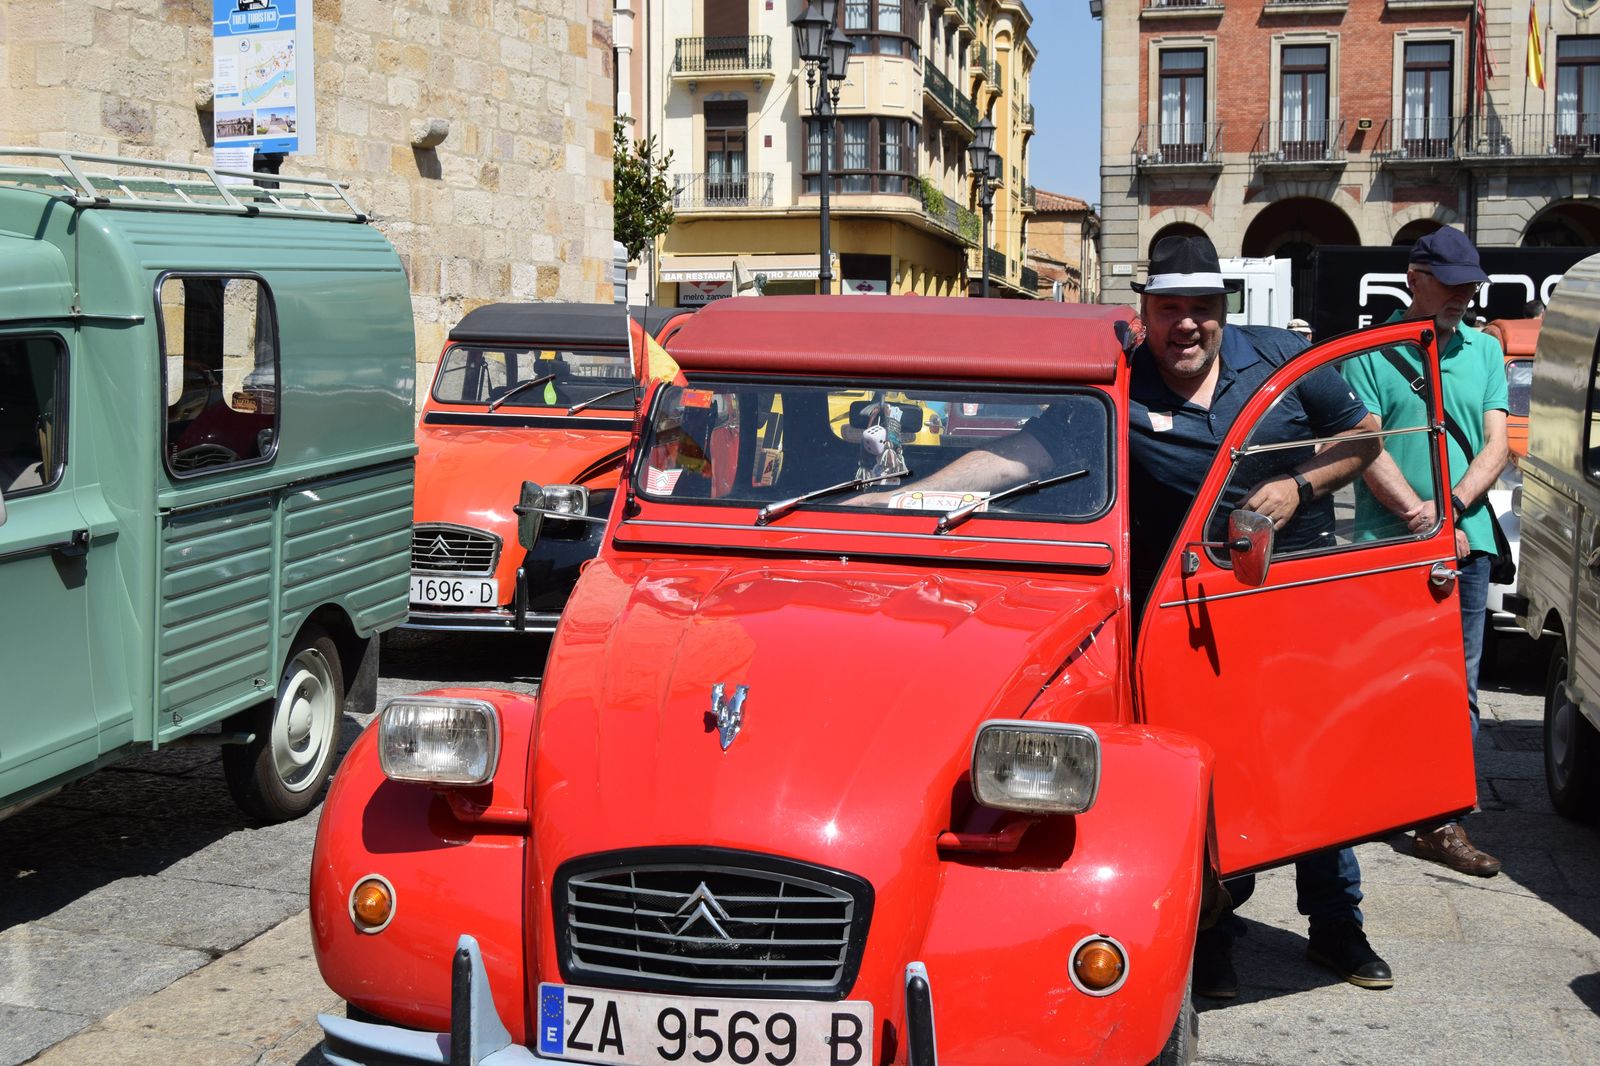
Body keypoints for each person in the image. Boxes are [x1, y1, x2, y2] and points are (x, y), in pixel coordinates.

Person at [873, 234, 1393, 995]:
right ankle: (1209, 932)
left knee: (1312, 765)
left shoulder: (1285, 361)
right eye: (1171, 309)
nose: (1187, 325)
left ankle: (1336, 926)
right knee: (1201, 770)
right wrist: (905, 502)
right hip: (1181, 609)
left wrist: (1298, 488)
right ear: (1144, 313)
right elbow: (1018, 455)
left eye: (1203, 310)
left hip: (1291, 598)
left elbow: (1364, 437)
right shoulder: (1118, 382)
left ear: (1225, 312)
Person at [1341, 228, 1508, 878]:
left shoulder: (1484, 351)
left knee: (1457, 688)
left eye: (1471, 284)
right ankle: (1372, 803)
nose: (1465, 295)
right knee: (1382, 679)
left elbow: (1497, 444)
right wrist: (1417, 515)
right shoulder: (1373, 351)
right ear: (1416, 277)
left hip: (1468, 541)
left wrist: (1453, 511)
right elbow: (1365, 445)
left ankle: (1441, 820)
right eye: (1453, 282)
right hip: (1386, 546)